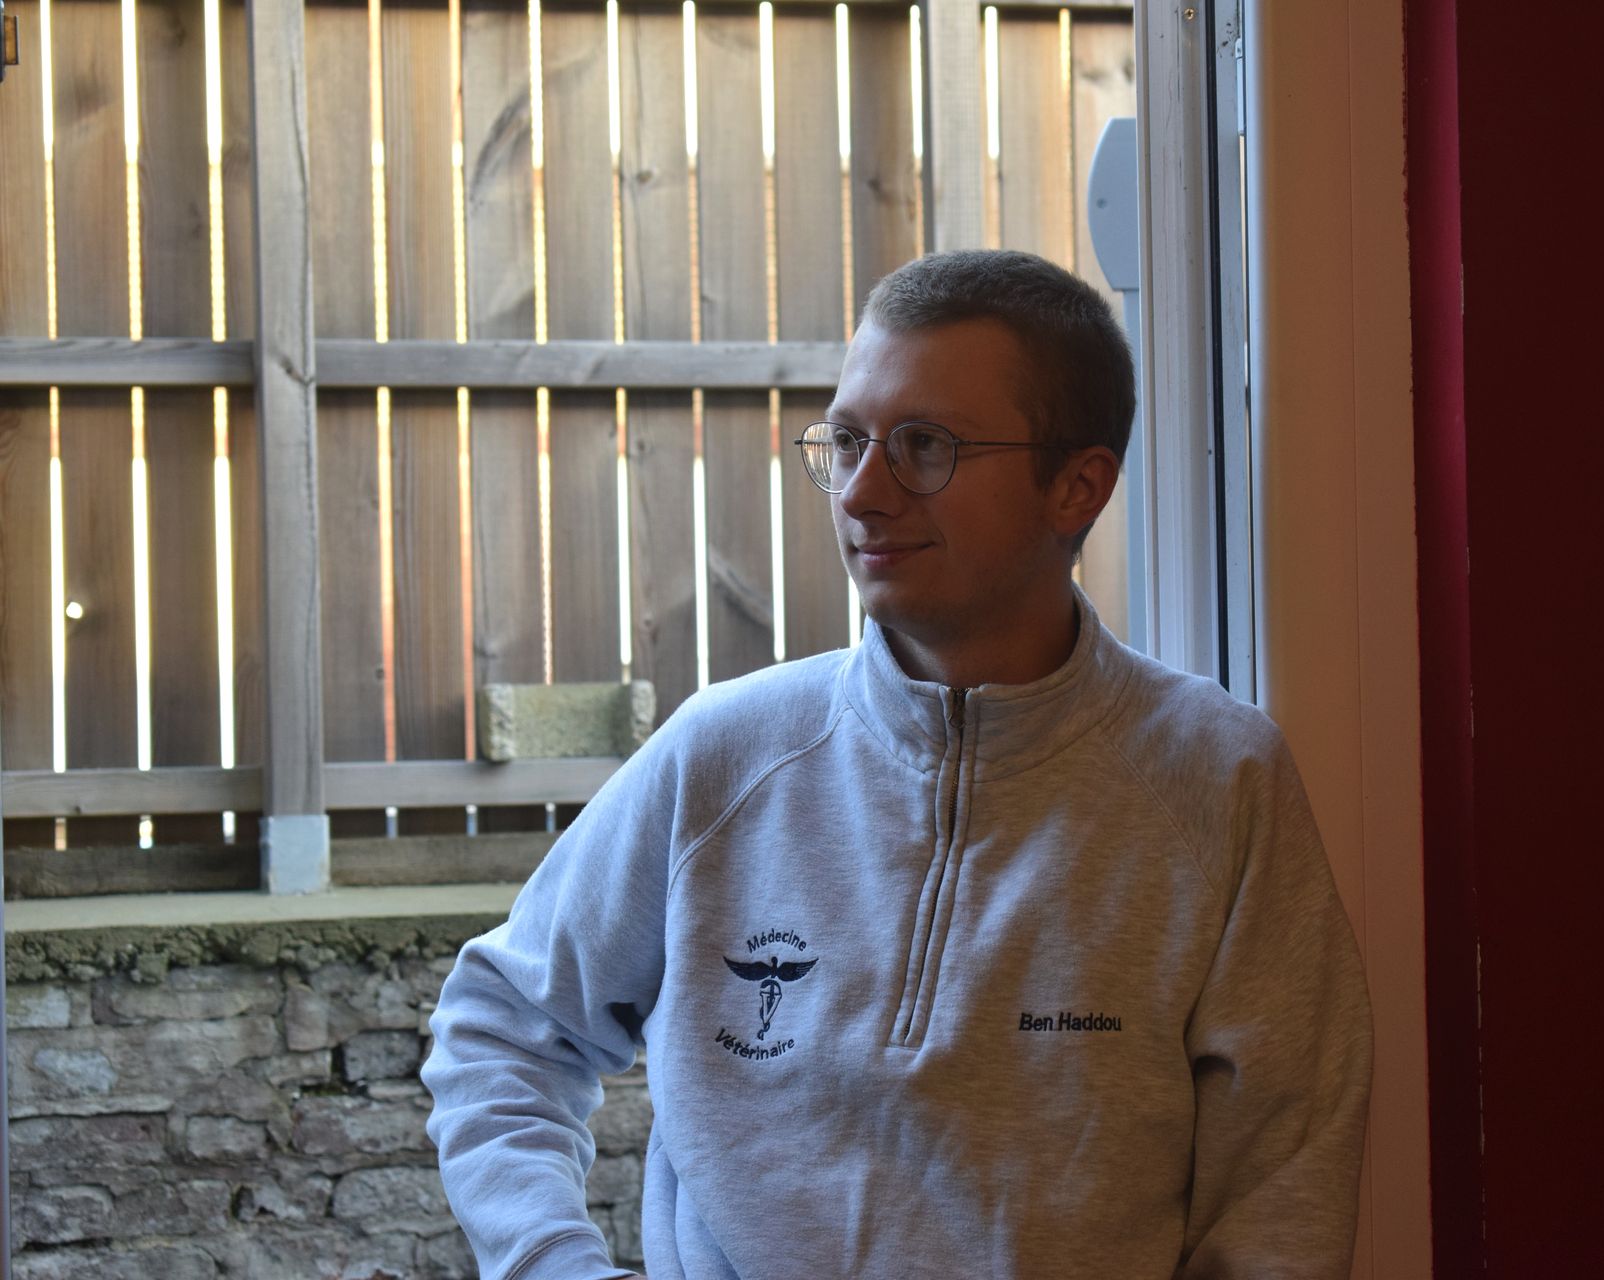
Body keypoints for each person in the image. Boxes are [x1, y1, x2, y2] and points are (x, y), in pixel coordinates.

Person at [423, 249, 1373, 1279]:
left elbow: (1283, 1181)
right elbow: (502, 1026)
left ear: (1078, 485)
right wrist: (552, 1261)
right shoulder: (725, 755)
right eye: (847, 441)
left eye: (926, 446)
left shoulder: (1219, 781)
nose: (863, 492)